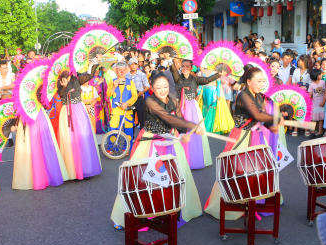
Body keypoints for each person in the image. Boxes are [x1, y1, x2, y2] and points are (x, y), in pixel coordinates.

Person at [110, 73, 205, 229]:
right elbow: (168, 118)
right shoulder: (149, 101)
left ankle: (183, 209)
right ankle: (125, 216)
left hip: (170, 143)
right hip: (152, 143)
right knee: (141, 180)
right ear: (152, 88)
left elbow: (178, 122)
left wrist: (182, 134)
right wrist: (192, 126)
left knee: (178, 176)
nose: (162, 90)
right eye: (158, 87)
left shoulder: (173, 100)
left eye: (165, 87)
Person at [205, 68, 284, 220]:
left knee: (258, 171)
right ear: (248, 82)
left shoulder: (259, 96)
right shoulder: (243, 95)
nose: (261, 84)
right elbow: (257, 114)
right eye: (258, 81)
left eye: (263, 81)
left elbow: (259, 119)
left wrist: (270, 127)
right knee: (236, 171)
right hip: (242, 136)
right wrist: (275, 119)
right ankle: (232, 205)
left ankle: (255, 203)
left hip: (257, 136)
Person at [57, 55, 103, 180]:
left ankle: (85, 169)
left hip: (79, 110)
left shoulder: (76, 77)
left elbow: (89, 75)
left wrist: (95, 62)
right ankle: (71, 171)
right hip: (67, 112)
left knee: (83, 137)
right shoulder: (59, 80)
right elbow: (61, 94)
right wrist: (65, 86)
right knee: (69, 140)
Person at [170, 59, 223, 169]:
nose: (184, 68)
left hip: (192, 108)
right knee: (180, 131)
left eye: (187, 66)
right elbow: (173, 69)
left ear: (191, 68)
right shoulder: (178, 78)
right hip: (180, 108)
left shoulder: (195, 79)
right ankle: (180, 159)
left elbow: (207, 80)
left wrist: (218, 74)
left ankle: (193, 160)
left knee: (193, 132)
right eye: (182, 66)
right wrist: (171, 59)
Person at [107, 61, 138, 150]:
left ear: (126, 71)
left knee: (128, 130)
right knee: (113, 130)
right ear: (116, 70)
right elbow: (109, 94)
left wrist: (127, 103)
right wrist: (113, 86)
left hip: (127, 110)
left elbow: (135, 95)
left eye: (123, 70)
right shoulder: (112, 82)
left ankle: (127, 148)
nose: (121, 71)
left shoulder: (130, 82)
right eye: (120, 70)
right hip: (116, 110)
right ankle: (112, 148)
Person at [126, 57, 150, 129]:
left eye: (135, 64)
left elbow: (147, 86)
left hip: (139, 98)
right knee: (130, 118)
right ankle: (131, 137)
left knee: (141, 118)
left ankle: (142, 136)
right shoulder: (126, 75)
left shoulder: (142, 75)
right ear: (129, 65)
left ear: (137, 65)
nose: (133, 66)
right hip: (129, 99)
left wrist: (142, 92)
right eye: (132, 64)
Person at [308, 69, 326, 138]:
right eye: (320, 74)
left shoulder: (323, 82)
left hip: (321, 104)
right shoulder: (311, 84)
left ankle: (319, 132)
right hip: (314, 104)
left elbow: (325, 92)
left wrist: (323, 101)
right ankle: (313, 132)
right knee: (313, 119)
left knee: (321, 119)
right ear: (316, 76)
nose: (321, 75)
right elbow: (310, 94)